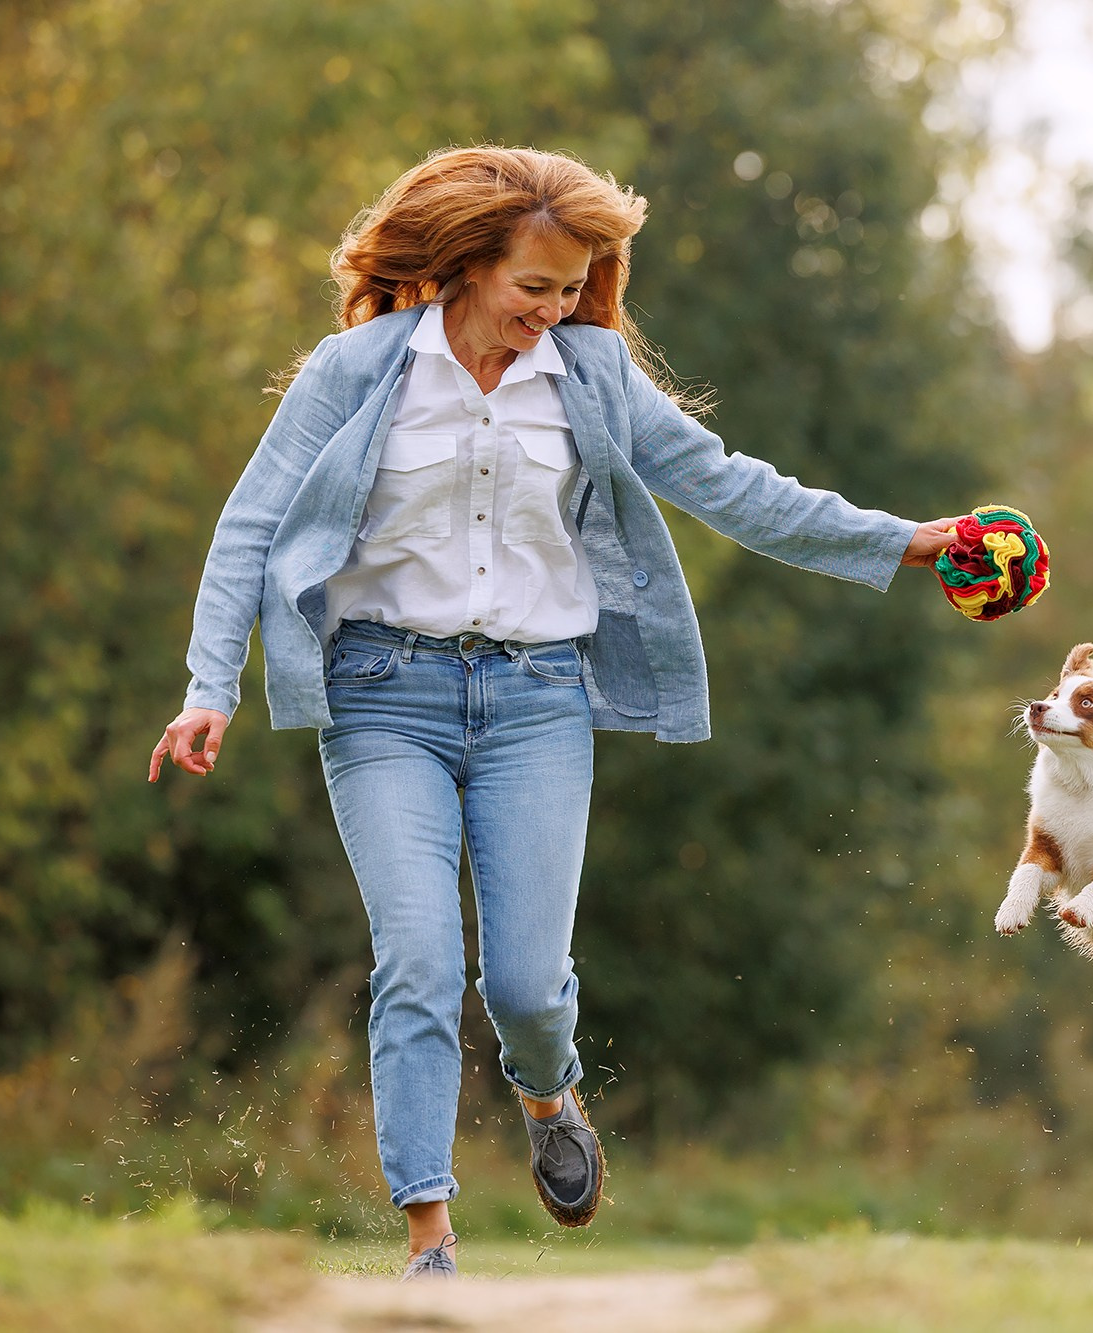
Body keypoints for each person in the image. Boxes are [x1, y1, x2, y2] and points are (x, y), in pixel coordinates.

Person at [148, 145, 960, 1280]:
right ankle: (430, 1237)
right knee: (418, 959)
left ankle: (546, 1092)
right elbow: (249, 525)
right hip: (383, 698)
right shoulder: (359, 369)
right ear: (466, 268)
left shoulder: (591, 377)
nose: (555, 309)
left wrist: (898, 538)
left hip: (536, 702)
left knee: (526, 986)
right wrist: (206, 685)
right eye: (535, 286)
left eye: (573, 288)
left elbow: (725, 481)